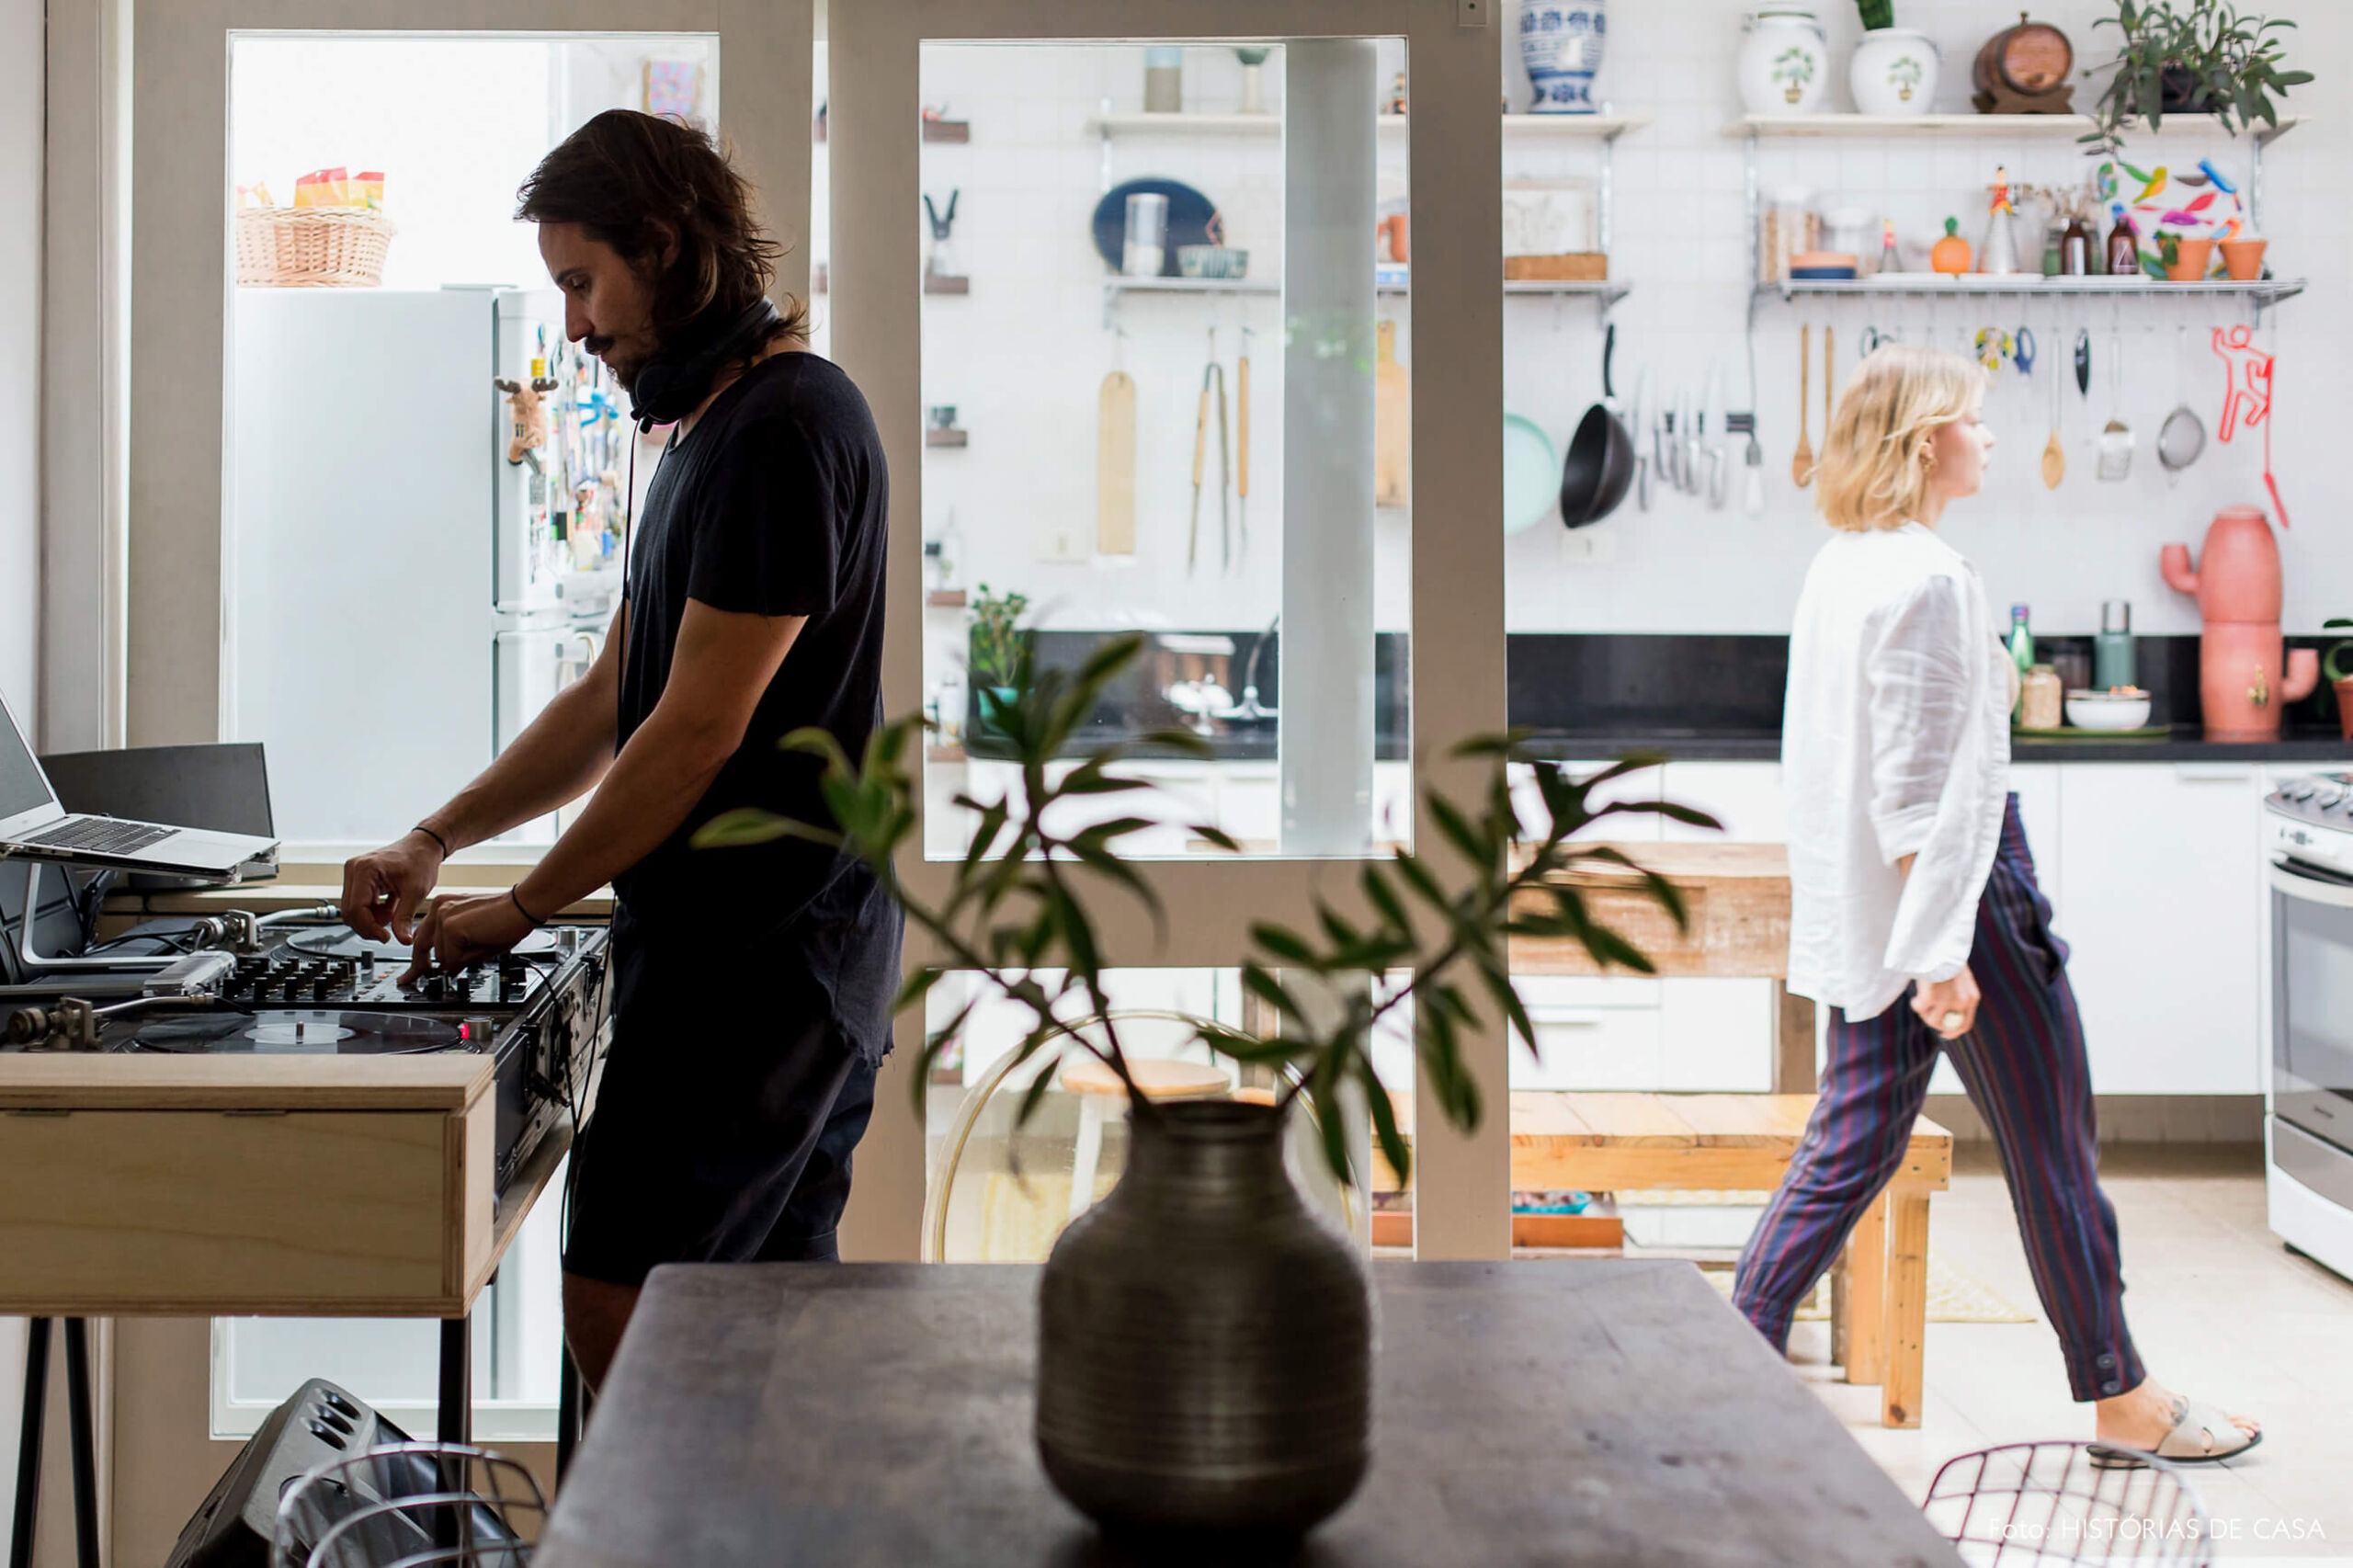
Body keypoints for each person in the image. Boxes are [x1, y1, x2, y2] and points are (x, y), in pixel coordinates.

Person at [338, 109, 899, 1391]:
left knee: (620, 1306)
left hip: (763, 965)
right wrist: (436, 838)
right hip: (757, 962)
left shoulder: (784, 431)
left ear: (671, 249)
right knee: (761, 1335)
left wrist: (527, 904)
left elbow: (698, 730)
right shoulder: (707, 435)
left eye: (585, 284)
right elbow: (611, 697)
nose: (579, 327)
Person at [1732, 345, 2259, 1464]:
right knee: (2049, 1141)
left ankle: (1727, 1358)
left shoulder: (1842, 561)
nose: (1990, 435)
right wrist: (1939, 956)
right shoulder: (1924, 577)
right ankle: (2125, 1399)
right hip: (1957, 898)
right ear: (1928, 442)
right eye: (1974, 419)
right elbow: (1919, 793)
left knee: (1850, 1141)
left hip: (1888, 899)